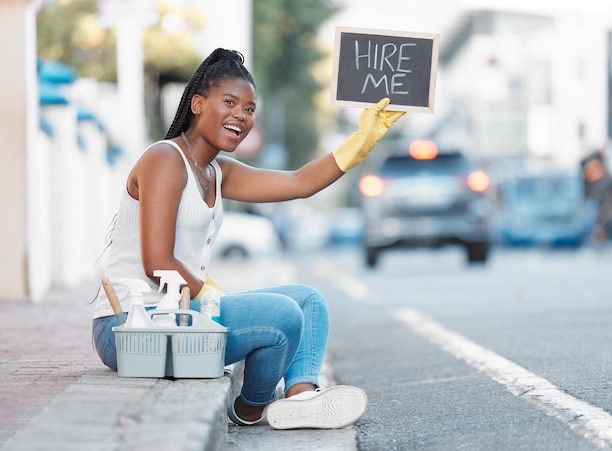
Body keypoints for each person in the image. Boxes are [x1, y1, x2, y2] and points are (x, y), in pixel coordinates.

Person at [91, 48, 404, 430]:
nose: (241, 115)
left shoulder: (216, 170)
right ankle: (252, 407)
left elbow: (299, 183)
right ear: (198, 103)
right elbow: (159, 264)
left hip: (181, 315)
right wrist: (211, 296)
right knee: (282, 315)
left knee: (307, 301)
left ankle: (301, 398)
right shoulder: (164, 159)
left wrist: (361, 141)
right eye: (230, 102)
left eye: (250, 109)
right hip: (130, 327)